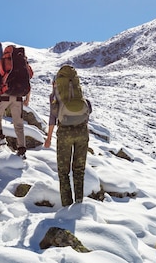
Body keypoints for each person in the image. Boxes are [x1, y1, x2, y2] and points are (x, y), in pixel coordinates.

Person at [44, 65, 91, 206]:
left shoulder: (55, 95)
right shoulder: (78, 91)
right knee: (79, 170)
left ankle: (66, 205)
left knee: (63, 172)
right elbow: (88, 109)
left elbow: (53, 117)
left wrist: (49, 138)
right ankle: (79, 203)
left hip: (65, 133)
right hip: (82, 131)